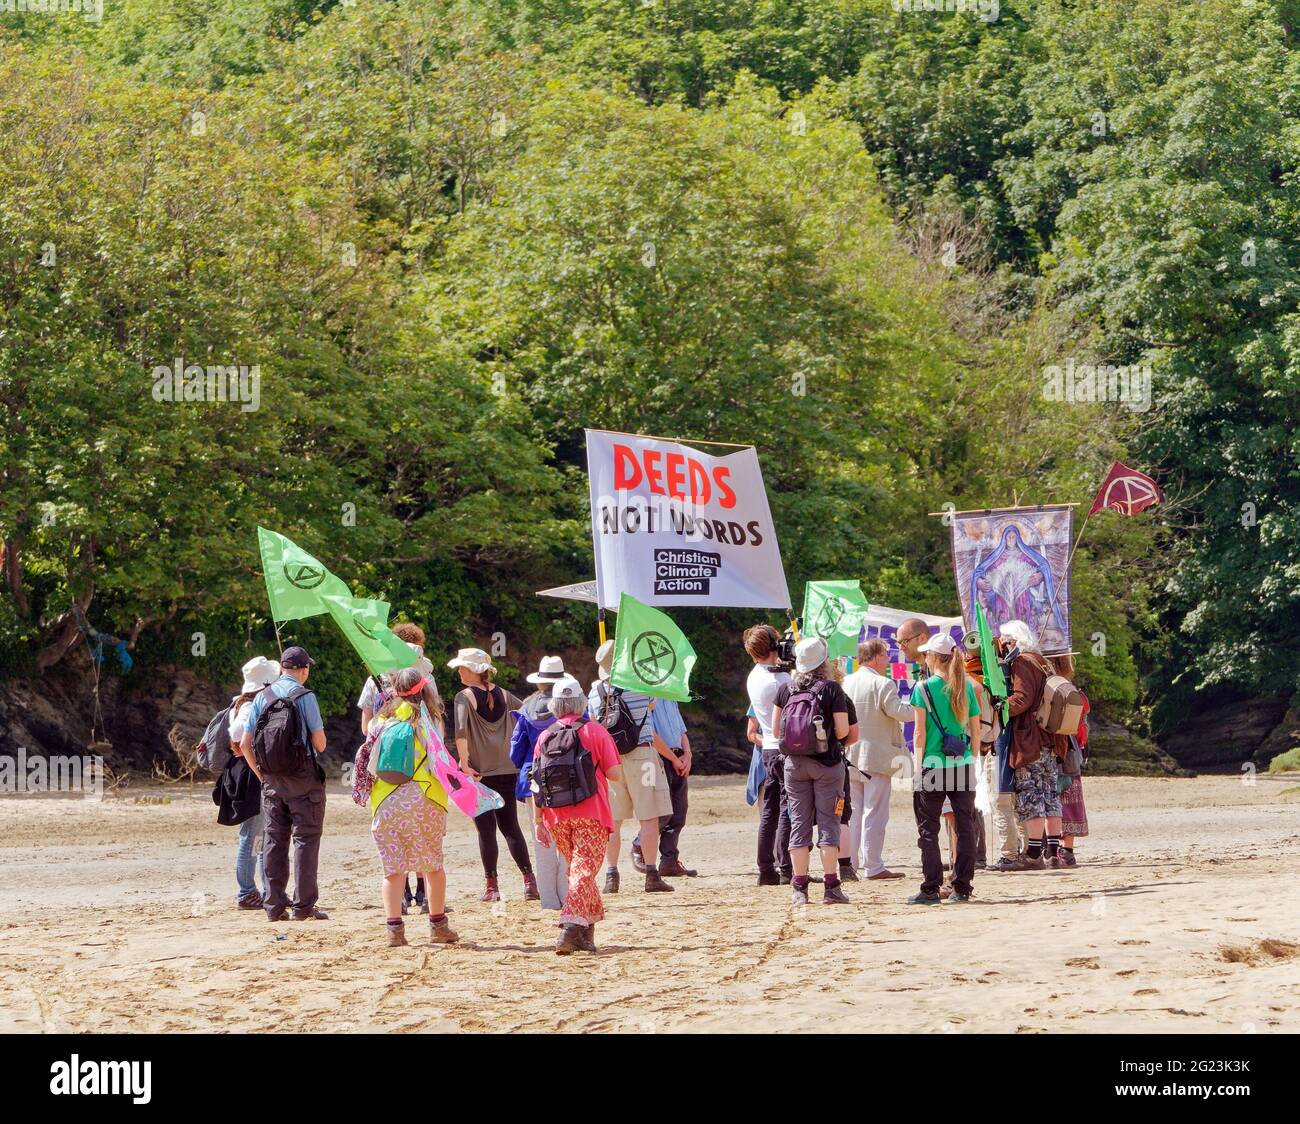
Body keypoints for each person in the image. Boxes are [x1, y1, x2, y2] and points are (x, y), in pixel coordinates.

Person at [358, 665, 458, 947]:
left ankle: (395, 931)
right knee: (433, 865)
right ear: (424, 689)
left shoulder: (380, 720)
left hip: (386, 801)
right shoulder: (427, 720)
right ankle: (438, 925)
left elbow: (368, 757)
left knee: (393, 869)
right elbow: (439, 761)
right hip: (425, 798)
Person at [532, 676, 624, 954]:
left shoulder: (545, 736)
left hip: (556, 816)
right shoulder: (595, 731)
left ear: (556, 705)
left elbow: (536, 780)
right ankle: (570, 928)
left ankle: (586, 933)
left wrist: (538, 820)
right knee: (582, 873)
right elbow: (615, 774)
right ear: (582, 703)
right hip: (592, 813)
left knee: (579, 872)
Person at [238, 646, 329, 921]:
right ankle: (303, 907)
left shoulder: (262, 697)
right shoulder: (305, 696)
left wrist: (262, 775)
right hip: (303, 781)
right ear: (303, 670)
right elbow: (320, 744)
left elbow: (244, 744)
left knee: (274, 842)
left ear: (282, 669)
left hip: (272, 782)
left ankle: (274, 906)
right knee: (306, 841)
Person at [356, 624, 441, 914]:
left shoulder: (375, 682)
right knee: (428, 852)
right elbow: (437, 738)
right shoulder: (426, 684)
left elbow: (365, 727)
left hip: (386, 789)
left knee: (393, 860)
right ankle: (430, 906)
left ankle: (398, 909)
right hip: (423, 787)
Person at [771, 637, 858, 906]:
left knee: (799, 823)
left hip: (794, 765)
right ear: (824, 662)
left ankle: (799, 887)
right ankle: (831, 886)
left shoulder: (786, 689)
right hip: (828, 765)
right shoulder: (832, 690)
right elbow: (844, 731)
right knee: (830, 823)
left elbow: (776, 732)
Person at [448, 647, 537, 902]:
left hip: (479, 772)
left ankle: (492, 887)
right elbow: (527, 715)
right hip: (508, 768)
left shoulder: (463, 697)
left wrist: (464, 764)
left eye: (462, 668)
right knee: (511, 826)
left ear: (474, 671)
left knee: (486, 830)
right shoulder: (506, 695)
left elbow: (461, 732)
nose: (459, 671)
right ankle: (529, 882)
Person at [590, 639, 676, 894]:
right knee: (649, 817)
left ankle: (611, 875)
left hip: (611, 760)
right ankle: (651, 874)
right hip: (643, 755)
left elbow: (594, 723)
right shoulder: (640, 684)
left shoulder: (595, 690)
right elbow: (653, 704)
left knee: (613, 821)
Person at [907, 632, 981, 905]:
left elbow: (919, 735)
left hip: (932, 764)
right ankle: (962, 885)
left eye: (926, 653)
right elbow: (975, 731)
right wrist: (971, 760)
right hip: (961, 764)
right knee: (965, 826)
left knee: (929, 829)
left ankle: (931, 887)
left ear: (933, 658)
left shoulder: (923, 689)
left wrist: (917, 768)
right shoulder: (965, 687)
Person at [999, 619, 1068, 870]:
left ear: (1013, 640)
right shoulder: (1043, 661)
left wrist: (1000, 706)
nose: (1002, 645)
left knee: (1031, 795)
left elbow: (1022, 699)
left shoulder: (1022, 662)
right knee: (1050, 794)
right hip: (1051, 738)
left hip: (1031, 739)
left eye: (1004, 640)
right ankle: (1053, 852)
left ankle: (1032, 855)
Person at [841, 638, 911, 881]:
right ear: (878, 656)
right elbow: (898, 711)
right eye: (886, 655)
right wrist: (921, 708)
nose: (889, 660)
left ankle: (850, 863)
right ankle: (873, 865)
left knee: (853, 812)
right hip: (876, 757)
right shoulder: (883, 683)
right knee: (875, 813)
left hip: (849, 755)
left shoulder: (846, 681)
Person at [510, 655, 568, 910]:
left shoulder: (526, 708)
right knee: (567, 840)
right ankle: (567, 895)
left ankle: (548, 900)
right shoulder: (571, 706)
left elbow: (515, 751)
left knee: (542, 841)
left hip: (532, 778)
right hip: (567, 778)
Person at [226, 655, 279, 909]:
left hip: (245, 773)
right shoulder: (249, 706)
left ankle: (261, 890)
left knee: (259, 834)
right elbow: (237, 735)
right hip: (251, 775)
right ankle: (248, 891)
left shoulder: (240, 702)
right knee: (253, 834)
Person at [745, 624, 794, 886]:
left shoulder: (754, 676)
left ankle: (766, 868)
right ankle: (785, 865)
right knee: (786, 809)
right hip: (784, 748)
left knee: (769, 811)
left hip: (768, 749)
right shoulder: (781, 680)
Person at [632, 697, 696, 878]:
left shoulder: (670, 697)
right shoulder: (647, 697)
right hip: (656, 758)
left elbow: (681, 731)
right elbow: (650, 734)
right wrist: (676, 759)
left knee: (679, 813)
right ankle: (640, 844)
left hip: (677, 756)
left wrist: (687, 755)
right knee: (660, 811)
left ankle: (669, 861)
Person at [1053, 653, 1089, 867]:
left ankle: (1057, 848)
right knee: (1071, 801)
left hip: (1059, 752)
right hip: (1074, 753)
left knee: (1056, 800)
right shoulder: (1077, 693)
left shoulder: (1055, 690)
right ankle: (1067, 850)